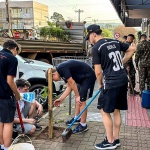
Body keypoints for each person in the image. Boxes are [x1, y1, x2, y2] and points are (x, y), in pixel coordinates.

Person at [85, 24, 136, 149]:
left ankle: (110, 141)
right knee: (117, 110)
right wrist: (120, 63)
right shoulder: (114, 41)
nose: (89, 40)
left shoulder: (97, 47)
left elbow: (97, 72)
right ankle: (116, 138)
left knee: (104, 110)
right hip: (123, 80)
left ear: (93, 34)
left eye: (89, 37)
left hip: (111, 82)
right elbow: (131, 49)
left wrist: (101, 83)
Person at [49, 60, 96, 134]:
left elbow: (72, 82)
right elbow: (69, 87)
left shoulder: (61, 68)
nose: (54, 81)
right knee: (78, 99)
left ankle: (83, 125)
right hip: (82, 79)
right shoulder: (61, 73)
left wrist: (78, 95)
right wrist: (60, 99)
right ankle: (77, 118)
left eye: (53, 79)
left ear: (53, 74)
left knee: (81, 100)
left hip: (88, 77)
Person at [0, 40, 20, 150]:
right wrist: (17, 94)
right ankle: (7, 148)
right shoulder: (12, 58)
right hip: (5, 95)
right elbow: (10, 81)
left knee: (0, 121)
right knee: (8, 122)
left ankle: (2, 146)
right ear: (14, 48)